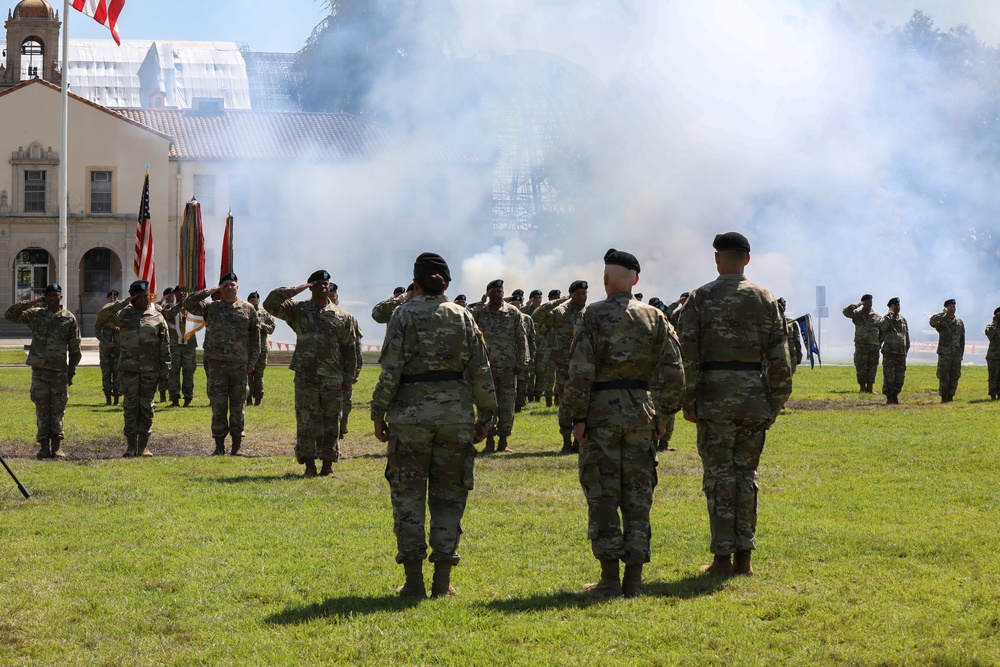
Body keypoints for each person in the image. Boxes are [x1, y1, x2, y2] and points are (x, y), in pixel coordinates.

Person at [371, 252, 497, 598]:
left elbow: (391, 368)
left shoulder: (403, 315)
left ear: (416, 281)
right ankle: (441, 583)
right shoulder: (463, 316)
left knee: (408, 498)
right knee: (449, 497)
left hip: (410, 418)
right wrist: (486, 415)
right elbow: (480, 370)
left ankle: (413, 583)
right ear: (446, 282)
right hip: (455, 417)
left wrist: (378, 411)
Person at [565, 249, 684, 597]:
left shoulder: (592, 316)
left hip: (600, 414)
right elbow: (674, 371)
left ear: (605, 281)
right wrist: (663, 413)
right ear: (636, 280)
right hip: (640, 413)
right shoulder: (655, 317)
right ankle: (633, 580)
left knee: (602, 495)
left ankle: (609, 578)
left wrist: (578, 416)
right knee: (637, 495)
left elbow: (579, 371)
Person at [677, 232, 792, 577]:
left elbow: (687, 355)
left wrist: (688, 399)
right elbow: (780, 357)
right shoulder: (765, 298)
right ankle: (744, 559)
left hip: (714, 399)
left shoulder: (701, 298)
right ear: (747, 259)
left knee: (718, 478)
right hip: (753, 399)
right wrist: (774, 402)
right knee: (746, 477)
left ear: (717, 259)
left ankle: (722, 558)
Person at [265, 271, 358, 475]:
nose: (323, 287)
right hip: (306, 375)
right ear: (311, 287)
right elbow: (270, 304)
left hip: (332, 376)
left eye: (326, 283)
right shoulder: (298, 310)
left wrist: (348, 378)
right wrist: (296, 290)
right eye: (317, 284)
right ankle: (309, 465)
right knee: (307, 420)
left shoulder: (343, 316)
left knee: (332, 421)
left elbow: (350, 349)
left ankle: (327, 464)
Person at [183, 273, 260, 456]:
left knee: (237, 405)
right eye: (224, 285)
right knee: (218, 405)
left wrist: (252, 361)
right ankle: (219, 445)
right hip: (216, 365)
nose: (229, 288)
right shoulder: (212, 308)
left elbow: (255, 338)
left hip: (239, 365)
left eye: (232, 284)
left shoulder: (248, 309)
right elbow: (188, 304)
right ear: (220, 289)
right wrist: (208, 291)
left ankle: (236, 445)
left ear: (237, 287)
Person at [4, 283, 82, 459]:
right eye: (50, 296)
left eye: (56, 295)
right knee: (41, 408)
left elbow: (75, 349)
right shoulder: (36, 315)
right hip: (40, 371)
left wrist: (71, 373)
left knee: (58, 409)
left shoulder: (68, 318)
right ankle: (43, 447)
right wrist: (29, 303)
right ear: (45, 297)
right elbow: (10, 315)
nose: (53, 299)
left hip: (59, 372)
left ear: (61, 297)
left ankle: (57, 447)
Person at [97, 280, 171, 457]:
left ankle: (144, 445)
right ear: (134, 298)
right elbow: (102, 315)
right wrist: (124, 302)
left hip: (150, 370)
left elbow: (165, 345)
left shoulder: (157, 317)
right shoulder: (123, 315)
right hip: (128, 369)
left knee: (146, 407)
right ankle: (131, 446)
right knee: (130, 407)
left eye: (147, 295)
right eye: (141, 296)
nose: (145, 299)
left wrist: (165, 370)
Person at [474, 279, 529, 453]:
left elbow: (521, 337)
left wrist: (522, 361)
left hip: (508, 367)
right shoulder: (480, 313)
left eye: (500, 291)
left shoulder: (513, 312)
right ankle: (488, 440)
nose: (497, 294)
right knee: (488, 404)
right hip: (486, 368)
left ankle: (503, 441)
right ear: (488, 293)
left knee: (507, 404)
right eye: (494, 291)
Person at [533, 281, 588, 453]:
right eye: (578, 293)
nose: (582, 296)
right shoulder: (559, 312)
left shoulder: (590, 314)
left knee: (583, 403)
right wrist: (557, 301)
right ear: (571, 294)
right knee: (565, 404)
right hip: (564, 366)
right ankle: (566, 440)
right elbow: (537, 316)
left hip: (584, 366)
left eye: (584, 293)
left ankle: (579, 441)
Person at [331, 286, 364, 439]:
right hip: (326, 369)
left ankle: (341, 428)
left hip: (344, 369)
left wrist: (355, 372)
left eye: (333, 295)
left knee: (346, 402)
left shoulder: (347, 318)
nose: (331, 298)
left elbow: (356, 348)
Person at [160, 287, 198, 407]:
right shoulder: (167, 307)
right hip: (174, 345)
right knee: (173, 372)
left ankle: (188, 398)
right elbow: (169, 315)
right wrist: (179, 305)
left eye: (182, 291)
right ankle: (174, 398)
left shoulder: (190, 307)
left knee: (188, 372)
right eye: (177, 292)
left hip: (189, 344)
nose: (179, 294)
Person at [842, 294, 882, 393]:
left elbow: (881, 331)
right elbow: (845, 312)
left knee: (873, 366)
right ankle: (862, 387)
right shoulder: (857, 313)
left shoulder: (877, 315)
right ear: (863, 303)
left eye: (871, 301)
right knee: (861, 366)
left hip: (874, 345)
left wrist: (879, 342)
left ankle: (870, 387)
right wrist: (857, 304)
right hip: (861, 345)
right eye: (867, 302)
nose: (870, 303)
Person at [929, 299, 965, 403]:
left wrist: (961, 354)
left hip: (956, 354)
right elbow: (932, 322)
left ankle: (951, 396)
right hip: (944, 354)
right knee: (944, 375)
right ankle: (944, 397)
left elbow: (962, 340)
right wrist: (942, 313)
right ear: (946, 308)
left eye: (954, 307)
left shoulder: (959, 322)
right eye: (951, 307)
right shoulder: (942, 321)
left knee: (955, 375)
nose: (953, 309)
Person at [246, 291, 276, 406]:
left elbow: (271, 328)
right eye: (252, 300)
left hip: (262, 349)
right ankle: (248, 399)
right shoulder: (245, 312)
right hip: (247, 348)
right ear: (249, 301)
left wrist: (261, 325)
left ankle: (258, 399)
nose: (255, 302)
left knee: (258, 375)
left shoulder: (265, 314)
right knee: (248, 375)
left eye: (256, 300)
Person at [531, 289, 560, 405]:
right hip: (547, 348)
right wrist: (546, 325)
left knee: (560, 376)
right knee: (548, 375)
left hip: (560, 347)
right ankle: (548, 400)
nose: (556, 300)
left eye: (558, 298)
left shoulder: (562, 312)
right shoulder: (544, 313)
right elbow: (538, 332)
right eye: (554, 298)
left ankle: (558, 399)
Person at [878, 297, 910, 404]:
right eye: (895, 305)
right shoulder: (886, 319)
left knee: (900, 376)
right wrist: (889, 314)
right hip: (890, 353)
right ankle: (889, 397)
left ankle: (896, 395)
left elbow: (906, 336)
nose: (898, 307)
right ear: (891, 307)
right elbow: (882, 327)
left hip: (901, 353)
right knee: (889, 376)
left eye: (899, 305)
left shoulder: (903, 320)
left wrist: (906, 350)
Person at [94, 289, 122, 405]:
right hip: (106, 349)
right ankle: (108, 399)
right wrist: (106, 342)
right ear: (107, 299)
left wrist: (118, 329)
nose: (113, 298)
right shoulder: (103, 313)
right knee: (106, 373)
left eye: (115, 297)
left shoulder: (122, 313)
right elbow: (97, 331)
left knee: (117, 374)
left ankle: (116, 399)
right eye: (111, 297)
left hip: (118, 348)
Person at [777, 297, 803, 375]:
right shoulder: (772, 321)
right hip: (776, 355)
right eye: (781, 306)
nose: (783, 307)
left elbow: (797, 340)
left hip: (791, 355)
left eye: (784, 306)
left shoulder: (791, 322)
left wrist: (799, 356)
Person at [985, 308, 1000, 400]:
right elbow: (990, 335)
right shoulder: (990, 326)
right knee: (993, 377)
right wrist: (995, 322)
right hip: (993, 356)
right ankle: (993, 394)